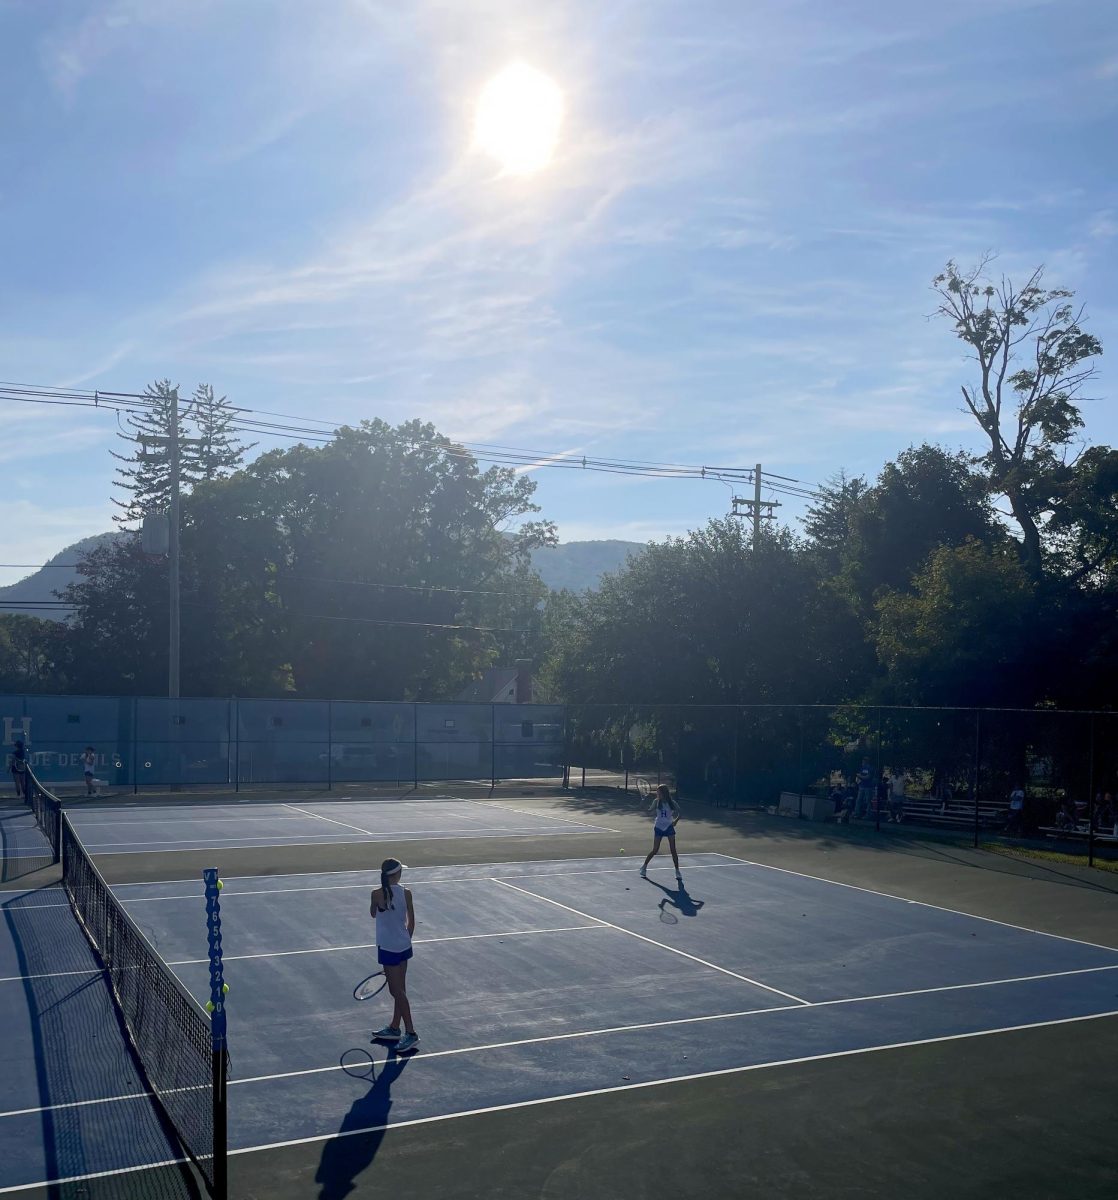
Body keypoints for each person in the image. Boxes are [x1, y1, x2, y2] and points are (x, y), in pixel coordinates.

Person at [369, 858, 419, 1052]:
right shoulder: (407, 893)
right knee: (401, 990)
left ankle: (411, 1033)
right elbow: (411, 922)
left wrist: (379, 905)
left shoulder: (375, 894)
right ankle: (394, 1028)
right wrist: (406, 940)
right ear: (398, 874)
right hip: (404, 946)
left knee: (396, 992)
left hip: (388, 948)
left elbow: (373, 914)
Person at [640, 784, 683, 883]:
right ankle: (644, 867)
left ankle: (677, 871)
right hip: (659, 827)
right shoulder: (656, 802)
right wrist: (643, 807)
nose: (657, 793)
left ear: (664, 793)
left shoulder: (672, 803)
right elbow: (649, 812)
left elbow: (680, 813)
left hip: (669, 827)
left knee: (673, 850)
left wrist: (675, 821)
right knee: (655, 850)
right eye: (657, 792)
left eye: (659, 792)